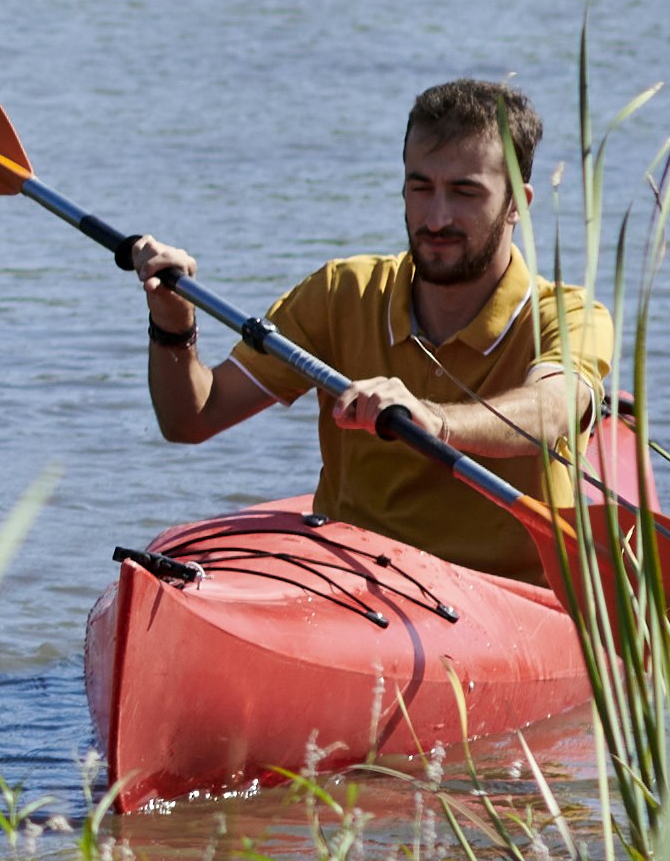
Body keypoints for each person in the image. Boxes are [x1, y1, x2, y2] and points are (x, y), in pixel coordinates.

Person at [114, 75, 623, 582]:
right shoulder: (343, 293)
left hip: (507, 597)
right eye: (420, 187)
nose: (437, 217)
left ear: (518, 204)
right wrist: (173, 322)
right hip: (358, 590)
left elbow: (555, 408)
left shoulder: (570, 316)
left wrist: (435, 420)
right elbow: (191, 421)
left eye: (465, 192)